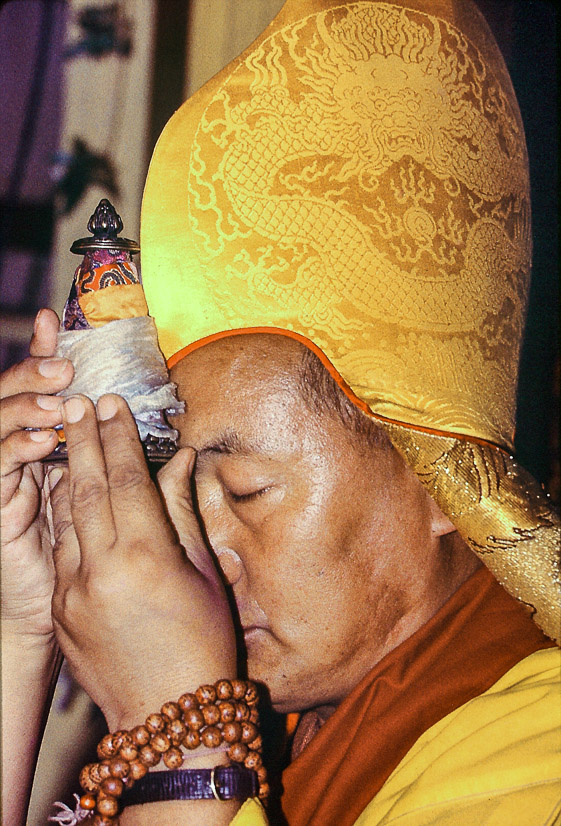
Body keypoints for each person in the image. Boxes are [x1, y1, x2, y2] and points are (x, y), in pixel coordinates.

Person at [1, 1, 559, 825]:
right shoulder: (277, 710)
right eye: (183, 495)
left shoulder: (534, 752)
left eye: (249, 491)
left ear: (438, 474)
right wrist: (18, 632)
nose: (205, 553)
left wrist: (181, 746)